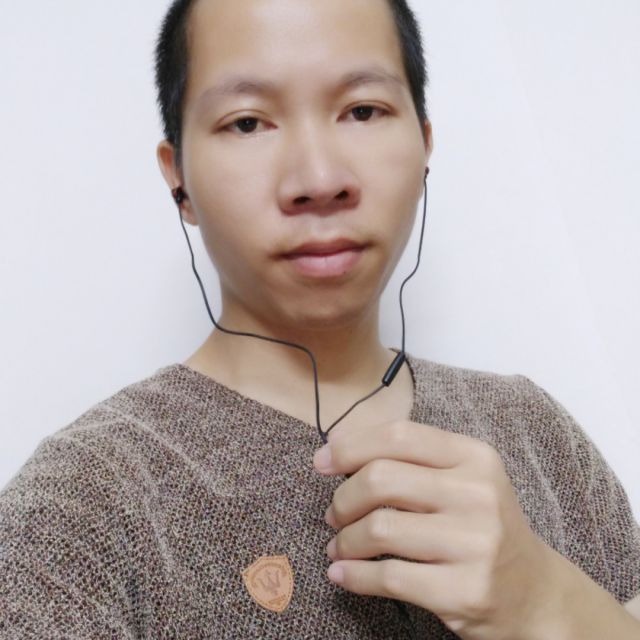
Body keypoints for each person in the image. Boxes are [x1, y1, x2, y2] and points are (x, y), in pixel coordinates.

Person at [1, 0, 639, 638]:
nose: (319, 178)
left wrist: (545, 603)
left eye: (363, 111)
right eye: (248, 122)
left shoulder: (533, 431)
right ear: (179, 181)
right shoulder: (77, 508)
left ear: (425, 143)